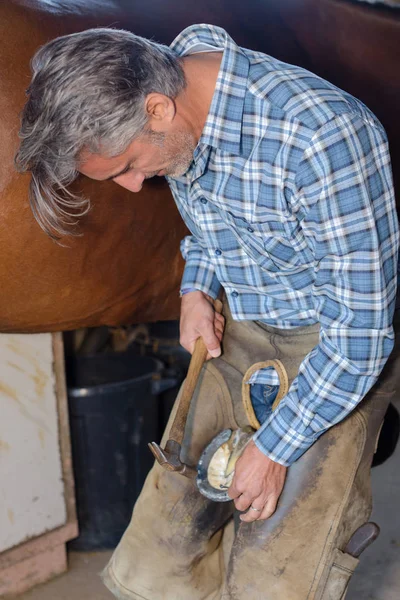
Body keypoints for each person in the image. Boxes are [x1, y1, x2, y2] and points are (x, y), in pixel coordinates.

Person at [16, 24, 399, 599]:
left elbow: (363, 334)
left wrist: (274, 448)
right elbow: (214, 227)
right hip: (241, 328)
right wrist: (195, 288)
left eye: (126, 165)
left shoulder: (323, 136)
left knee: (275, 575)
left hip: (331, 352)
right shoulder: (178, 111)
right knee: (154, 561)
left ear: (158, 107)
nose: (131, 185)